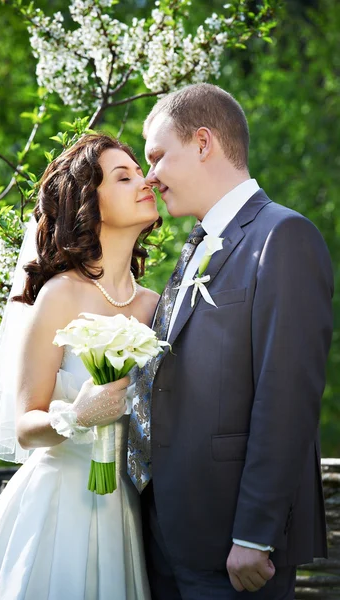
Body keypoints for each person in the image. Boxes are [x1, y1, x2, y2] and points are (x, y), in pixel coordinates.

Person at [128, 83, 333, 599]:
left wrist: (253, 534)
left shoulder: (282, 236)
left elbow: (286, 395)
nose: (149, 176)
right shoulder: (194, 247)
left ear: (202, 143)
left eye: (157, 156)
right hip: (167, 539)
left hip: (233, 550)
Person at [0, 133, 161, 600]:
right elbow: (26, 423)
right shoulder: (60, 294)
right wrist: (77, 414)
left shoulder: (155, 306)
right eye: (123, 176)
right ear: (90, 203)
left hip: (124, 509)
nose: (145, 180)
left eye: (140, 170)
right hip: (56, 506)